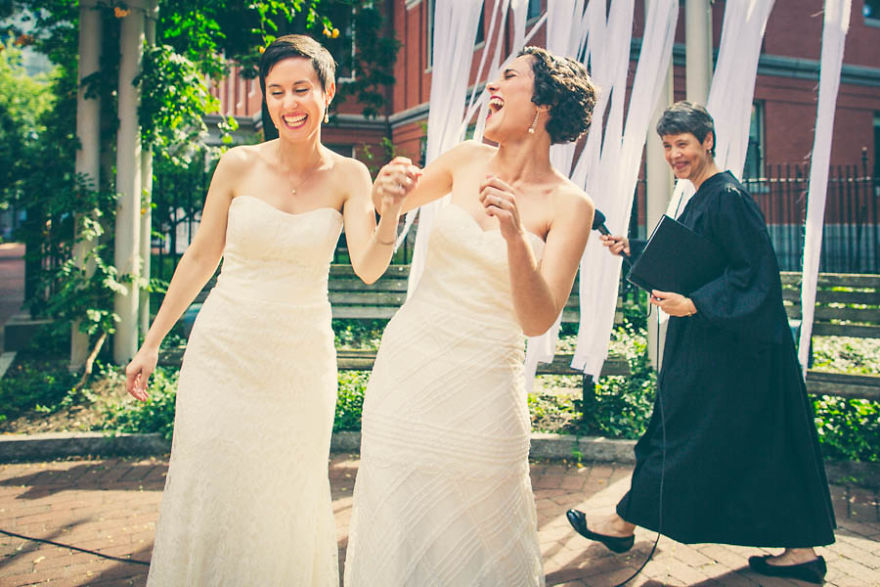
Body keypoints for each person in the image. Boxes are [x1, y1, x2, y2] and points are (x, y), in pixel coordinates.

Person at [124, 34, 416, 586]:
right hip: (223, 351)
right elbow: (201, 255)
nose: (288, 104)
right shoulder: (237, 164)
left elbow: (369, 268)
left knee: (285, 491)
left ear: (328, 92)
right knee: (210, 483)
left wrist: (391, 214)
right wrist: (152, 341)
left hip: (299, 360)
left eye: (301, 89)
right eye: (276, 91)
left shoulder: (350, 176)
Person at [343, 47, 597, 586]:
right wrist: (383, 195)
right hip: (410, 367)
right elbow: (379, 216)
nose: (491, 88)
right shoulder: (462, 161)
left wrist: (514, 240)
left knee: (490, 528)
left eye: (508, 77)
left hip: (486, 383)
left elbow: (537, 320)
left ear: (543, 104)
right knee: (398, 513)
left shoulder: (571, 205)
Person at [566, 101, 836, 584]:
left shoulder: (725, 196)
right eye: (668, 146)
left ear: (707, 140)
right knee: (758, 445)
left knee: (681, 437)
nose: (674, 155)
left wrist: (697, 305)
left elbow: (755, 276)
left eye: (683, 144)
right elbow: (697, 265)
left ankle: (623, 522)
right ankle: (802, 551)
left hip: (735, 354)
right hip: (719, 348)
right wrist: (635, 251)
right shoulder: (699, 196)